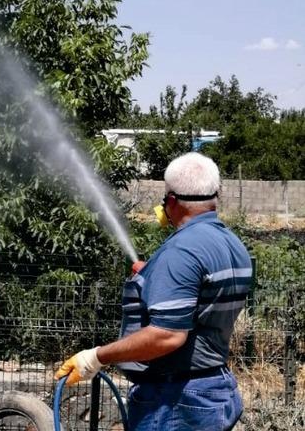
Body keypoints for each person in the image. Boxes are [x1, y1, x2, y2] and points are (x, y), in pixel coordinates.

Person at [55, 152, 251, 431]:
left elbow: (166, 336)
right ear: (215, 194)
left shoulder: (181, 251)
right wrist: (157, 278)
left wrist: (97, 357)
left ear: (171, 201)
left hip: (175, 401)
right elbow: (205, 299)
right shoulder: (232, 244)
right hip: (214, 388)